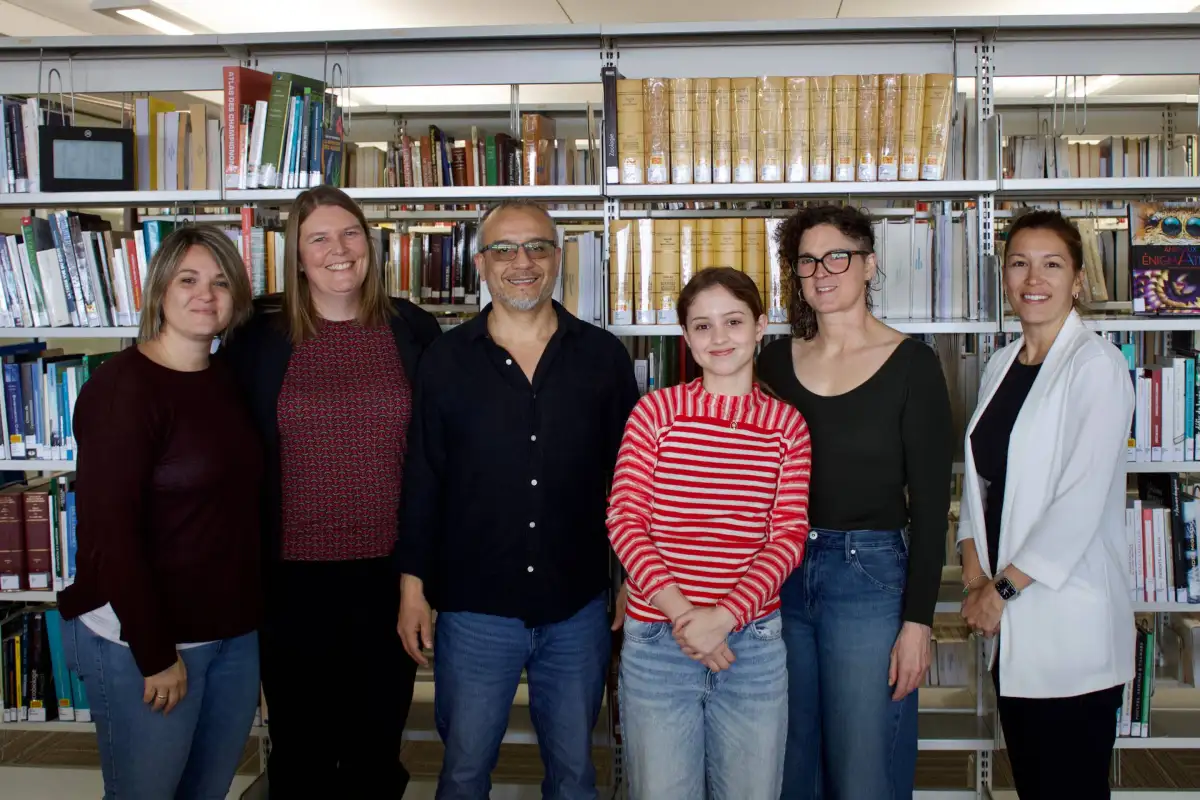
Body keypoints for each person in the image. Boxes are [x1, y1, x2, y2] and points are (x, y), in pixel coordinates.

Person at [396, 198, 640, 800]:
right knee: (462, 773)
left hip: (576, 609)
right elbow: (423, 477)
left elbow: (633, 480)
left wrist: (634, 577)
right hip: (474, 611)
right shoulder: (445, 360)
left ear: (559, 258)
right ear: (480, 263)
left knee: (575, 774)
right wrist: (411, 588)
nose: (521, 262)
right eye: (503, 249)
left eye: (537, 246)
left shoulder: (603, 357)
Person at [221, 185, 442, 798]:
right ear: (296, 254)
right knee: (302, 752)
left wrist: (418, 578)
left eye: (349, 234)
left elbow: (433, 457)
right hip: (291, 580)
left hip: (388, 578)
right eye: (318, 238)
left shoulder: (411, 328)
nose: (337, 250)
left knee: (376, 750)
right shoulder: (258, 336)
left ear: (368, 244)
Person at [56, 224, 261, 800]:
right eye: (189, 279)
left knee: (206, 791)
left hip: (232, 637)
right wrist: (155, 654)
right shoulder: (122, 391)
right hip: (145, 643)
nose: (206, 294)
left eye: (221, 282)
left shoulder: (226, 379)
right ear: (160, 290)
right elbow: (111, 535)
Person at [756, 204, 954, 800]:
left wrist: (919, 622)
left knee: (865, 762)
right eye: (807, 260)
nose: (822, 272)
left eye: (837, 256)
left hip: (869, 574)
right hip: (778, 570)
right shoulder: (770, 362)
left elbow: (929, 503)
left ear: (869, 266)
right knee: (790, 759)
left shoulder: (913, 365)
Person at [607, 267, 811, 800]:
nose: (719, 338)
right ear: (686, 336)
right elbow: (625, 522)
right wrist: (684, 616)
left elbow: (787, 536)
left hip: (752, 644)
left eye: (733, 321)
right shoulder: (654, 414)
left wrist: (722, 618)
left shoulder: (787, 426)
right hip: (658, 642)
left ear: (761, 326)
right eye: (702, 326)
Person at [959, 209, 1134, 799]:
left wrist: (999, 590)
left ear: (1078, 279)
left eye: (1051, 264)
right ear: (1005, 276)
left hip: (1069, 625)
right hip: (1012, 627)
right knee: (1035, 787)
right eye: (1019, 263)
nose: (1034, 277)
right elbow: (978, 479)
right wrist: (972, 568)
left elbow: (1078, 503)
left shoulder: (1098, 367)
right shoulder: (1000, 363)